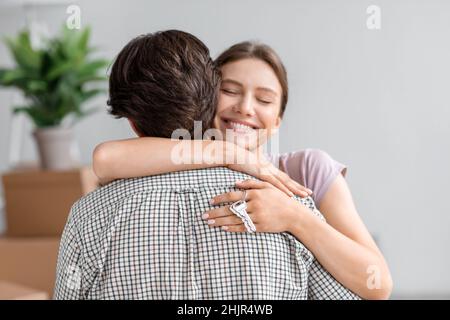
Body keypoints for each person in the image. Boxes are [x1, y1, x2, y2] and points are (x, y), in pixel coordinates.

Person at [54, 30, 360, 299]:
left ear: (132, 124)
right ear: (210, 102)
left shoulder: (90, 216)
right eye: (231, 91)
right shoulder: (284, 199)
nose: (245, 108)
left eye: (264, 100)